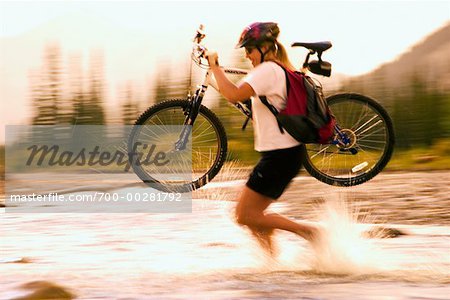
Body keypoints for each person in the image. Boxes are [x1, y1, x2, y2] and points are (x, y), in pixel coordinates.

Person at [206, 22, 321, 255]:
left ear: (265, 48)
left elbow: (234, 95)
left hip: (281, 156)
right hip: (283, 155)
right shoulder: (275, 70)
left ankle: (308, 232)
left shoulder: (267, 71)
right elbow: (243, 98)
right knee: (253, 218)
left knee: (244, 215)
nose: (247, 55)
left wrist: (215, 67)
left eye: (249, 49)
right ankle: (271, 265)